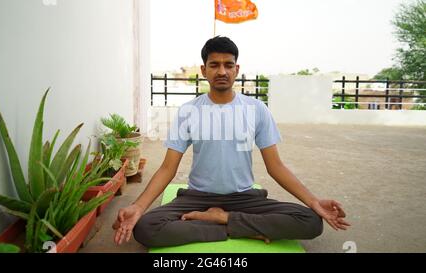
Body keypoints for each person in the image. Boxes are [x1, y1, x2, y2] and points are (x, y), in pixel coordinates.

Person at [113, 36, 350, 247]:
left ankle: (221, 220)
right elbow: (167, 168)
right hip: (197, 198)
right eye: (214, 65)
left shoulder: (256, 109)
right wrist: (138, 206)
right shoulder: (189, 111)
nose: (222, 71)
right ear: (204, 70)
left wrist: (314, 201)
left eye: (228, 65)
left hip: (244, 198)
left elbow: (275, 166)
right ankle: (240, 228)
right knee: (146, 227)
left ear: (237, 69)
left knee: (310, 221)